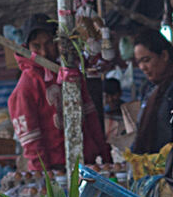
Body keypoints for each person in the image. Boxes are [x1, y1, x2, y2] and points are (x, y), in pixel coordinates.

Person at [8, 13, 109, 171]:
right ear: (26, 48)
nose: (44, 52)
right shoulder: (26, 86)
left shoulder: (71, 74)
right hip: (56, 170)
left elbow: (91, 118)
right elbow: (32, 143)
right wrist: (45, 179)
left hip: (87, 164)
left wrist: (105, 154)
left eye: (49, 43)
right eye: (36, 46)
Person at [131, 29, 173, 154]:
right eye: (139, 62)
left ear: (164, 55)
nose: (142, 67)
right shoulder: (150, 88)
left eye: (146, 60)